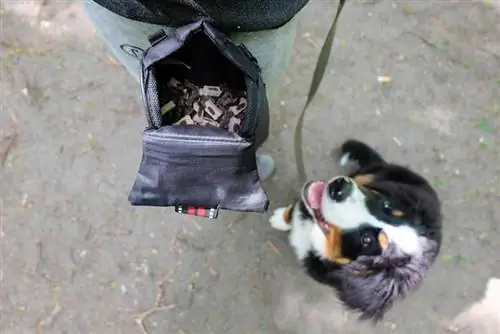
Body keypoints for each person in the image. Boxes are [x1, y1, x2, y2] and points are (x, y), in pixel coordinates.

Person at [83, 0, 309, 180]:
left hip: (126, 10)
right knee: (246, 104)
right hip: (250, 12)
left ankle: (225, 161)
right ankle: (235, 162)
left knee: (164, 91)